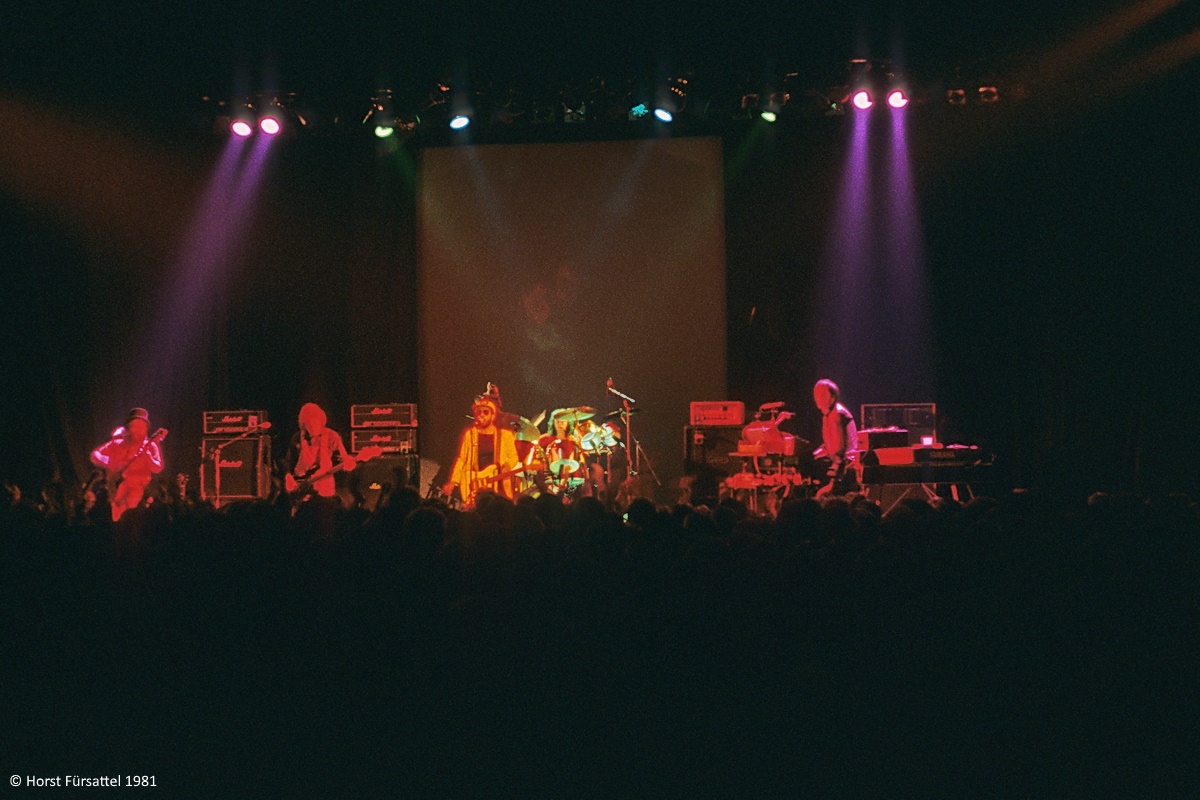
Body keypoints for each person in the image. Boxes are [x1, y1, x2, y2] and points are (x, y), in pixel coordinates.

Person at [286, 403, 355, 533]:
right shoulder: (297, 438)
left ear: (322, 421)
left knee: (325, 518)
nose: (312, 427)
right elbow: (288, 462)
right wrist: (289, 478)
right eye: (309, 425)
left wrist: (349, 464)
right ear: (303, 424)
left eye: (315, 423)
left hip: (324, 486)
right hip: (301, 487)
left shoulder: (332, 436)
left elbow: (344, 459)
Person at [443, 395, 521, 507]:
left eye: (485, 412)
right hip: (474, 483)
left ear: (492, 416)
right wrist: (453, 482)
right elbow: (462, 459)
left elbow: (514, 457)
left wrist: (507, 466)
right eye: (478, 412)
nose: (481, 415)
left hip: (498, 483)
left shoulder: (505, 435)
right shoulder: (469, 435)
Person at [89, 407, 165, 521]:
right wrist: (110, 462)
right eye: (134, 425)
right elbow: (94, 455)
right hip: (116, 493)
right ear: (128, 428)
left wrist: (147, 456)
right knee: (116, 522)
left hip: (140, 494)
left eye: (141, 426)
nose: (137, 429)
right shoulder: (117, 444)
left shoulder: (150, 445)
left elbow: (157, 468)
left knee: (135, 521)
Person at [811, 379, 859, 498]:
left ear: (833, 396)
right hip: (842, 465)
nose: (818, 398)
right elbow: (831, 444)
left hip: (846, 469)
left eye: (823, 394)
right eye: (816, 394)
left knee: (820, 494)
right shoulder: (828, 414)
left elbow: (839, 449)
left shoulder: (836, 414)